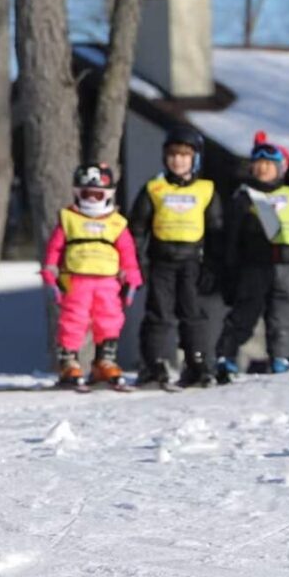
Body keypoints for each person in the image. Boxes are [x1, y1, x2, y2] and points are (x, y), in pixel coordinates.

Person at [129, 126, 223, 389]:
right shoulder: (154, 188)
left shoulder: (206, 189)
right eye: (172, 155)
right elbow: (137, 228)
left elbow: (216, 230)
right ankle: (154, 365)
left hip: (192, 262)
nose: (178, 160)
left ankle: (198, 363)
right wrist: (138, 262)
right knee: (159, 313)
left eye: (184, 155)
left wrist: (213, 266)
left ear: (195, 158)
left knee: (192, 313)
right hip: (161, 261)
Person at [42, 163, 143, 390]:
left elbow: (128, 254)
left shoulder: (117, 223)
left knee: (109, 319)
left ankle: (104, 361)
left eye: (98, 195)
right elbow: (55, 248)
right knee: (73, 321)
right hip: (76, 281)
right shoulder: (69, 218)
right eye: (88, 194)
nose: (93, 200)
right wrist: (50, 271)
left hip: (108, 283)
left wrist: (132, 278)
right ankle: (69, 362)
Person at [214, 132, 289, 384]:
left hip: (286, 265)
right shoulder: (245, 197)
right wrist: (228, 268)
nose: (263, 169)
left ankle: (280, 358)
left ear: (280, 169)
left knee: (282, 315)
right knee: (245, 312)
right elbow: (231, 237)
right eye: (259, 163)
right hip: (254, 265)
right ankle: (226, 357)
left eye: (269, 164)